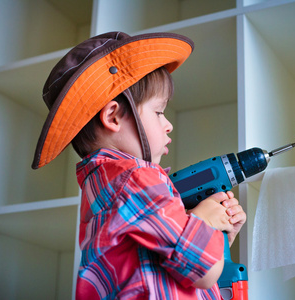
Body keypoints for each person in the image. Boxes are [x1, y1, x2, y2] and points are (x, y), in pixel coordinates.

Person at [31, 31, 246, 299]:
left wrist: (218, 233)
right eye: (158, 112)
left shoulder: (102, 184)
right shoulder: (136, 178)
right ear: (113, 116)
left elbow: (165, 266)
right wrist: (203, 221)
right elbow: (203, 271)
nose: (168, 124)